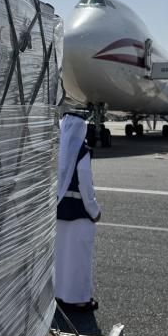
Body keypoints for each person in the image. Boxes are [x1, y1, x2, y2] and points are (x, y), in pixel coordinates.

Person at [55, 113, 102, 311]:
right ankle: (79, 299)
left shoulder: (57, 150)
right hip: (79, 213)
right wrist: (95, 211)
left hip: (58, 212)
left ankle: (59, 295)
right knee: (79, 260)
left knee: (60, 258)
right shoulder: (82, 152)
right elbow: (85, 186)